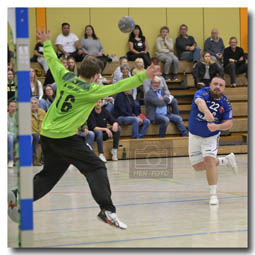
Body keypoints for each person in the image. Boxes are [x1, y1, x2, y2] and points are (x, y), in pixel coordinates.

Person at [8, 28, 160, 229]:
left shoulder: (65, 77)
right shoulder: (92, 91)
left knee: (49, 176)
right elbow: (118, 87)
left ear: (80, 70)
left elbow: (53, 61)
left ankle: (19, 194)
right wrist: (144, 76)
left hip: (47, 135)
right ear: (96, 75)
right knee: (96, 167)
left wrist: (46, 42)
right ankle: (107, 210)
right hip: (66, 138)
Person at [188, 77, 238, 205]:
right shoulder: (202, 93)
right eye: (215, 84)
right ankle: (224, 161)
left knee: (209, 160)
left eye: (221, 85)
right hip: (194, 135)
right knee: (197, 167)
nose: (218, 87)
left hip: (211, 136)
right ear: (210, 85)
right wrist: (207, 112)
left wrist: (217, 127)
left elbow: (229, 123)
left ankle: (213, 195)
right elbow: (199, 102)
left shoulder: (225, 103)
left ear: (224, 88)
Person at [31, 97, 46, 166]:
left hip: (42, 133)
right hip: (32, 133)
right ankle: (34, 159)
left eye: (35, 103)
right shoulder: (26, 113)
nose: (33, 105)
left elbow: (47, 124)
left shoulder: (42, 112)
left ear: (38, 104)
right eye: (31, 103)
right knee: (35, 136)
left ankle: (45, 159)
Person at [8, 101, 17, 168]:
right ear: (8, 107)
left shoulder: (18, 116)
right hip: (8, 135)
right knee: (10, 138)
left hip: (17, 135)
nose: (13, 108)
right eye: (11, 106)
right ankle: (11, 160)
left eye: (14, 106)